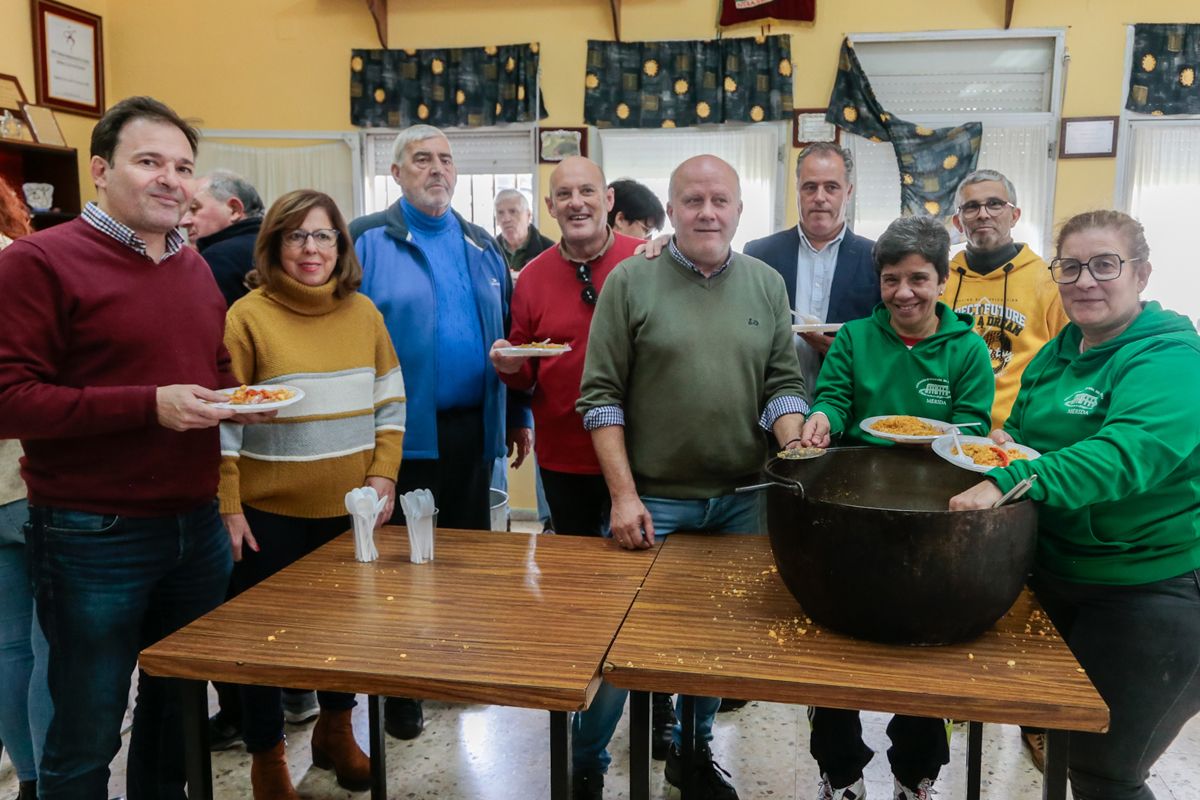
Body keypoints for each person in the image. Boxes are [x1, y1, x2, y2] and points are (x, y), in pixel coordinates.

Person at [0, 95, 271, 800]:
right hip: (94, 533)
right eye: (149, 161)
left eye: (183, 167)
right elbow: (8, 401)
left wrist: (243, 401)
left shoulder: (190, 266)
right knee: (87, 729)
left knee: (176, 711)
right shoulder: (38, 262)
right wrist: (150, 406)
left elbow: (209, 371)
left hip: (195, 526)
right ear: (99, 170)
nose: (170, 179)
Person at [576, 155, 808, 800]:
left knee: (716, 643)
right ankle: (586, 762)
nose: (708, 212)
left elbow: (781, 387)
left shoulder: (765, 284)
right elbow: (600, 397)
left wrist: (794, 447)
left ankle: (692, 750)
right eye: (693, 201)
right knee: (618, 653)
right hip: (651, 501)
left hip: (740, 502)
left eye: (721, 201)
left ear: (739, 210)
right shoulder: (630, 281)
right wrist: (622, 495)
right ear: (672, 210)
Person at [950, 210, 1200, 800]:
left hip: (1150, 592)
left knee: (1105, 773)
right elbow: (1021, 431)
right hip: (1057, 577)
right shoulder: (1059, 351)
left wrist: (1012, 479)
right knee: (1059, 744)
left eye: (1105, 264)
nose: (1086, 280)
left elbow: (1126, 453)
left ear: (1141, 274)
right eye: (1070, 266)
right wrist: (1005, 446)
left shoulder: (1172, 358)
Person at [798, 216, 994, 800]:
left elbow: (974, 425)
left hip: (934, 511)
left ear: (941, 279)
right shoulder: (856, 338)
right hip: (853, 503)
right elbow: (834, 398)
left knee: (925, 649)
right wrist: (821, 420)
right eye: (891, 280)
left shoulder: (966, 347)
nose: (903, 293)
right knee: (836, 643)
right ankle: (841, 773)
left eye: (918, 279)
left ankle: (916, 774)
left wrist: (941, 438)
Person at [219, 189, 405, 799]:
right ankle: (267, 756)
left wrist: (384, 475)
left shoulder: (364, 313)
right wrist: (228, 503)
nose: (310, 249)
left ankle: (335, 731)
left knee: (345, 632)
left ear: (340, 246)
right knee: (264, 641)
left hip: (349, 510)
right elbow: (225, 418)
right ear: (272, 244)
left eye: (323, 235)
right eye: (296, 236)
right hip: (268, 511)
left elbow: (390, 400)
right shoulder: (247, 316)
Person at [350, 124, 532, 741]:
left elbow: (511, 337)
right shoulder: (366, 240)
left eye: (446, 160)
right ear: (397, 173)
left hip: (471, 431)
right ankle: (401, 686)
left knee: (462, 559)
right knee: (400, 566)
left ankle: (451, 669)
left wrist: (516, 415)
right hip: (397, 439)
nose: (437, 170)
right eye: (421, 160)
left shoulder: (484, 246)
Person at [490, 157, 639, 537]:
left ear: (608, 199)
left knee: (638, 566)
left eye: (587, 191)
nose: (576, 202)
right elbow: (525, 370)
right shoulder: (533, 277)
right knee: (575, 572)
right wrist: (509, 366)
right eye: (564, 194)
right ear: (549, 206)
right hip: (564, 454)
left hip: (641, 451)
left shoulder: (645, 261)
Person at [744, 143, 880, 399]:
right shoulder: (758, 255)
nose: (820, 197)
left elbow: (891, 342)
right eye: (810, 187)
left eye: (831, 187)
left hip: (851, 407)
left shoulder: (877, 259)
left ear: (848, 192)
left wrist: (849, 353)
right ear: (797, 189)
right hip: (770, 408)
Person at [944, 169, 1069, 431]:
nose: (983, 213)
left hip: (1015, 434)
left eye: (995, 204)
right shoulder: (940, 281)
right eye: (971, 207)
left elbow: (1069, 361)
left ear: (1014, 216)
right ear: (957, 222)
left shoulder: (1049, 280)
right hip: (945, 431)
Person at [0, 176, 42, 800]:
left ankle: (33, 782)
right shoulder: (19, 264)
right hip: (31, 476)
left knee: (9, 648)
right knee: (54, 648)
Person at [182, 169, 266, 307]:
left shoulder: (216, 258)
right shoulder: (282, 248)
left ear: (234, 210)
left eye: (194, 208)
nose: (183, 222)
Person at [493, 188, 552, 273]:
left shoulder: (548, 250)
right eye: (500, 213)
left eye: (513, 211)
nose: (506, 219)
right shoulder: (489, 251)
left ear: (528, 215)